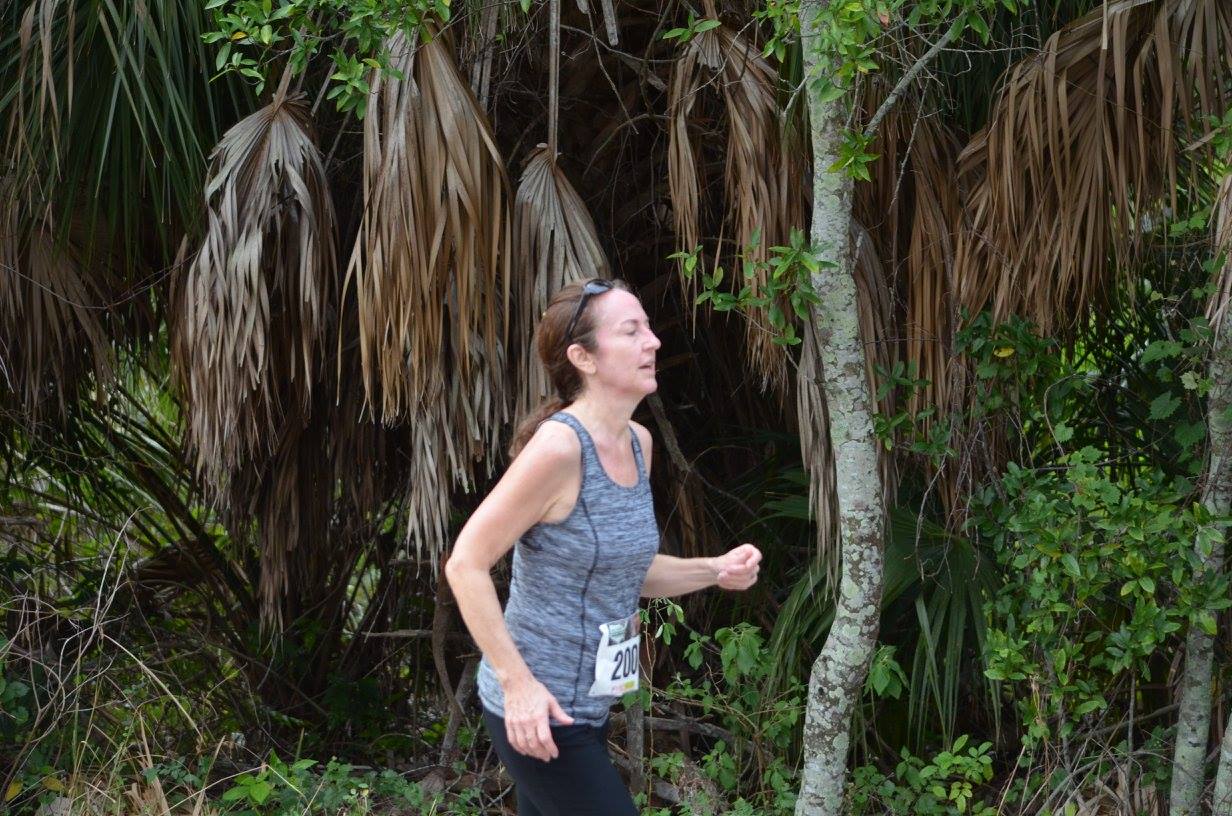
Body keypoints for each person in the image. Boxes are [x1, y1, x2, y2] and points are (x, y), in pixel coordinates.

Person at [444, 278, 763, 816]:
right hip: (539, 714)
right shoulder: (559, 449)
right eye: (631, 331)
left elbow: (630, 570)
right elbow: (466, 563)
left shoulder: (638, 444)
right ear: (583, 358)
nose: (653, 341)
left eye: (648, 328)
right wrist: (518, 684)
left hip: (589, 708)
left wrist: (715, 569)